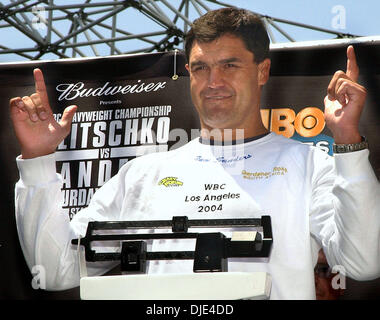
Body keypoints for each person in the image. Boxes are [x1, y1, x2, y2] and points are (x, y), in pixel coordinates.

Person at [9, 8, 380, 299]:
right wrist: (39, 162)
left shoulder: (310, 164)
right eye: (201, 68)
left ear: (262, 70)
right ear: (188, 73)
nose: (214, 81)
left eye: (230, 65)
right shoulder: (143, 175)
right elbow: (54, 272)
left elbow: (364, 263)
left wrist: (347, 138)